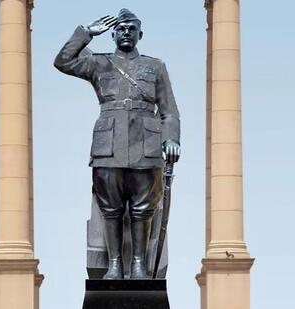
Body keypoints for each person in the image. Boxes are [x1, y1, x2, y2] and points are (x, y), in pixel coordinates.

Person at [54, 8, 180, 279]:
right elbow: (62, 61)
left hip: (145, 145)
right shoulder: (99, 64)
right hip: (108, 145)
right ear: (112, 34)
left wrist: (171, 138)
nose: (125, 33)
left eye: (131, 29)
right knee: (109, 207)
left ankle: (138, 264)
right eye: (120, 29)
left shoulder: (155, 67)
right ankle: (114, 265)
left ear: (140, 34)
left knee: (143, 209)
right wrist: (86, 34)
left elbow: (169, 110)